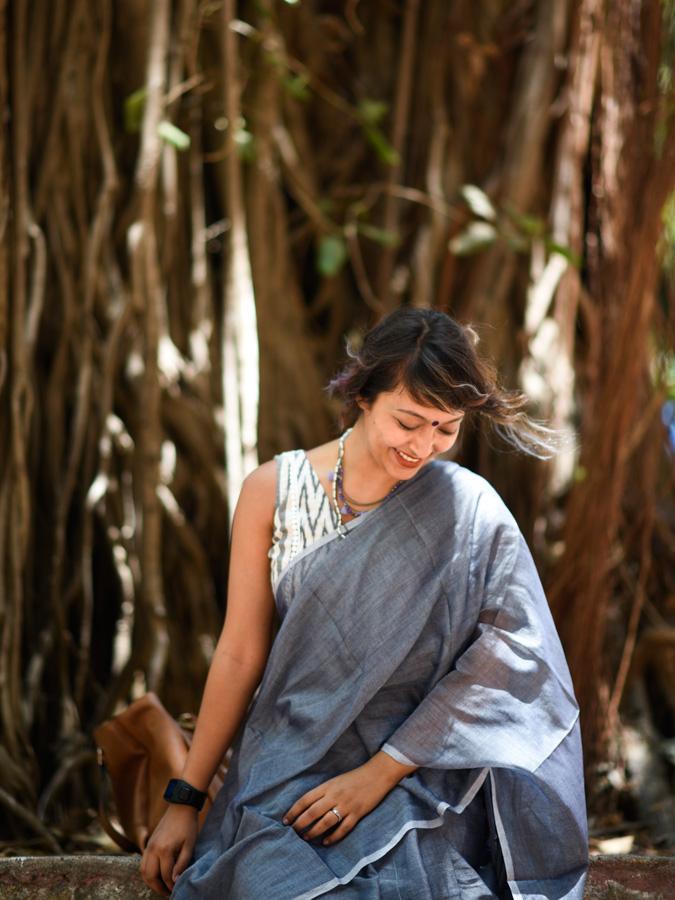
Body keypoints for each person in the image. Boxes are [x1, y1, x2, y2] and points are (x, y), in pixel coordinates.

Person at [140, 308, 588, 899]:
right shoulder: (273, 492)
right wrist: (186, 799)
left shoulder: (466, 509)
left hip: (419, 781)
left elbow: (511, 655)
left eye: (445, 428)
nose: (424, 445)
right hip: (288, 772)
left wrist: (381, 772)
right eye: (409, 421)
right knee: (261, 878)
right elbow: (239, 654)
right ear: (363, 394)